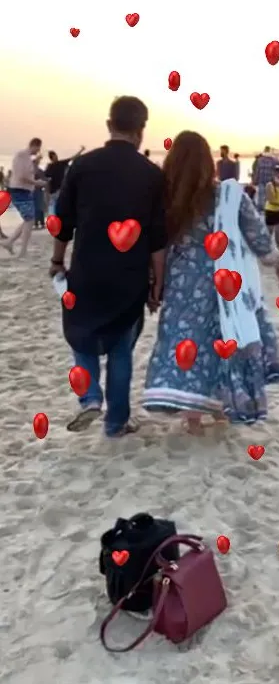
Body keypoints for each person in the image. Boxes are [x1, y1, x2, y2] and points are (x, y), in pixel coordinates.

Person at [142, 131, 279, 434]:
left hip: (181, 281)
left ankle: (192, 417)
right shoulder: (227, 195)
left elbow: (154, 242)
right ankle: (220, 407)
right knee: (221, 340)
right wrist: (276, 264)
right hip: (223, 279)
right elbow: (256, 233)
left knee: (184, 341)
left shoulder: (165, 198)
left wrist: (154, 283)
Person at [49, 96, 167, 437]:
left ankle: (89, 397)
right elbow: (157, 238)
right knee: (120, 349)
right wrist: (158, 284)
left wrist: (57, 261)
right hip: (129, 277)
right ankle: (115, 423)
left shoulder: (82, 166)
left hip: (87, 270)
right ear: (141, 131)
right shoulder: (151, 174)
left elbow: (62, 222)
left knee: (80, 336)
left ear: (108, 125)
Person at [0, 138, 47, 257]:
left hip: (24, 191)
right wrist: (37, 183)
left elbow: (29, 174)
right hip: (18, 190)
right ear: (34, 145)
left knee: (29, 219)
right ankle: (21, 250)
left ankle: (10, 242)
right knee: (29, 219)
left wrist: (36, 163)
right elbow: (21, 176)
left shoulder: (28, 159)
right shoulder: (21, 155)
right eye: (38, 148)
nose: (38, 151)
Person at [45, 146, 85, 214]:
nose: (56, 157)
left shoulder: (54, 165)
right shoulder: (53, 165)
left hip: (56, 190)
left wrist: (81, 150)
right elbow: (47, 180)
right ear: (52, 157)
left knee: (54, 208)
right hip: (56, 190)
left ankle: (56, 220)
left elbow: (73, 157)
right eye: (54, 156)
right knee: (57, 208)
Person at [264, 163, 279, 249]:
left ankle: (278, 251)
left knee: (278, 234)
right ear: (274, 174)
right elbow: (271, 200)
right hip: (271, 211)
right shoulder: (269, 185)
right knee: (269, 233)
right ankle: (267, 251)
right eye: (278, 172)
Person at [252, 146, 278, 212]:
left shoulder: (260, 160)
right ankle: (267, 209)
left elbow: (257, 171)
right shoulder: (274, 160)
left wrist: (255, 180)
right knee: (268, 196)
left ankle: (261, 210)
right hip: (270, 181)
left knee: (261, 196)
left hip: (262, 180)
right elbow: (276, 172)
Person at [33, 155, 48, 229]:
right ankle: (38, 222)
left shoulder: (38, 170)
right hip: (35, 190)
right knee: (38, 207)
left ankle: (39, 222)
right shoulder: (35, 170)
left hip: (37, 190)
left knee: (38, 207)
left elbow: (45, 179)